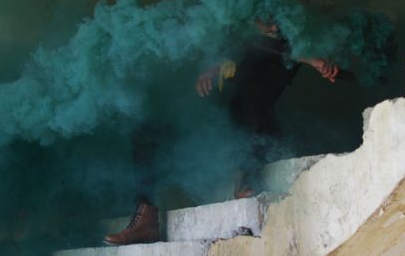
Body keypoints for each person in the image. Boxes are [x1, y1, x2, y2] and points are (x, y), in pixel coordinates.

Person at [103, 19, 339, 246]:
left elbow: (281, 49)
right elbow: (237, 52)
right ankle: (145, 217)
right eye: (265, 17)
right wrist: (214, 69)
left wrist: (315, 60)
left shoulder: (285, 47)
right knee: (145, 133)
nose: (272, 23)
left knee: (248, 100)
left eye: (275, 18)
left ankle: (246, 174)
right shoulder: (234, 42)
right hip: (213, 136)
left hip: (253, 136)